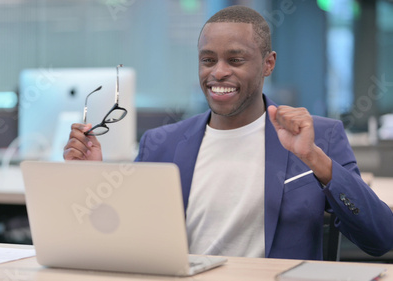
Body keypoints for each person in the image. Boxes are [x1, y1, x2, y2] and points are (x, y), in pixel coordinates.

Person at [63, 5, 393, 260]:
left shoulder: (321, 136)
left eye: (235, 59)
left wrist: (314, 158)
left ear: (268, 64)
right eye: (208, 60)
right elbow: (126, 241)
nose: (219, 72)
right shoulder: (161, 143)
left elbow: (380, 238)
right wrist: (93, 180)